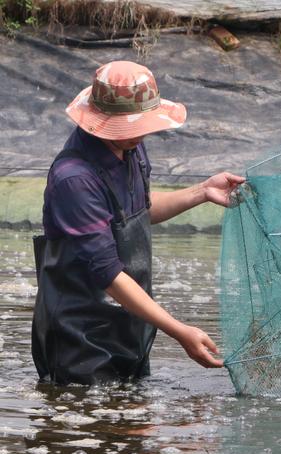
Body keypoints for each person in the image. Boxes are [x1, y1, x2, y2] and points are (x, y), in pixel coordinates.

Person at [31, 60, 245, 385]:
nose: (141, 134)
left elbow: (137, 212)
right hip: (80, 337)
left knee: (133, 428)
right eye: (130, 127)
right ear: (102, 122)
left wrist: (202, 191)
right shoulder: (74, 180)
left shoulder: (131, 148)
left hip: (129, 325)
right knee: (84, 426)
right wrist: (180, 331)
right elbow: (108, 274)